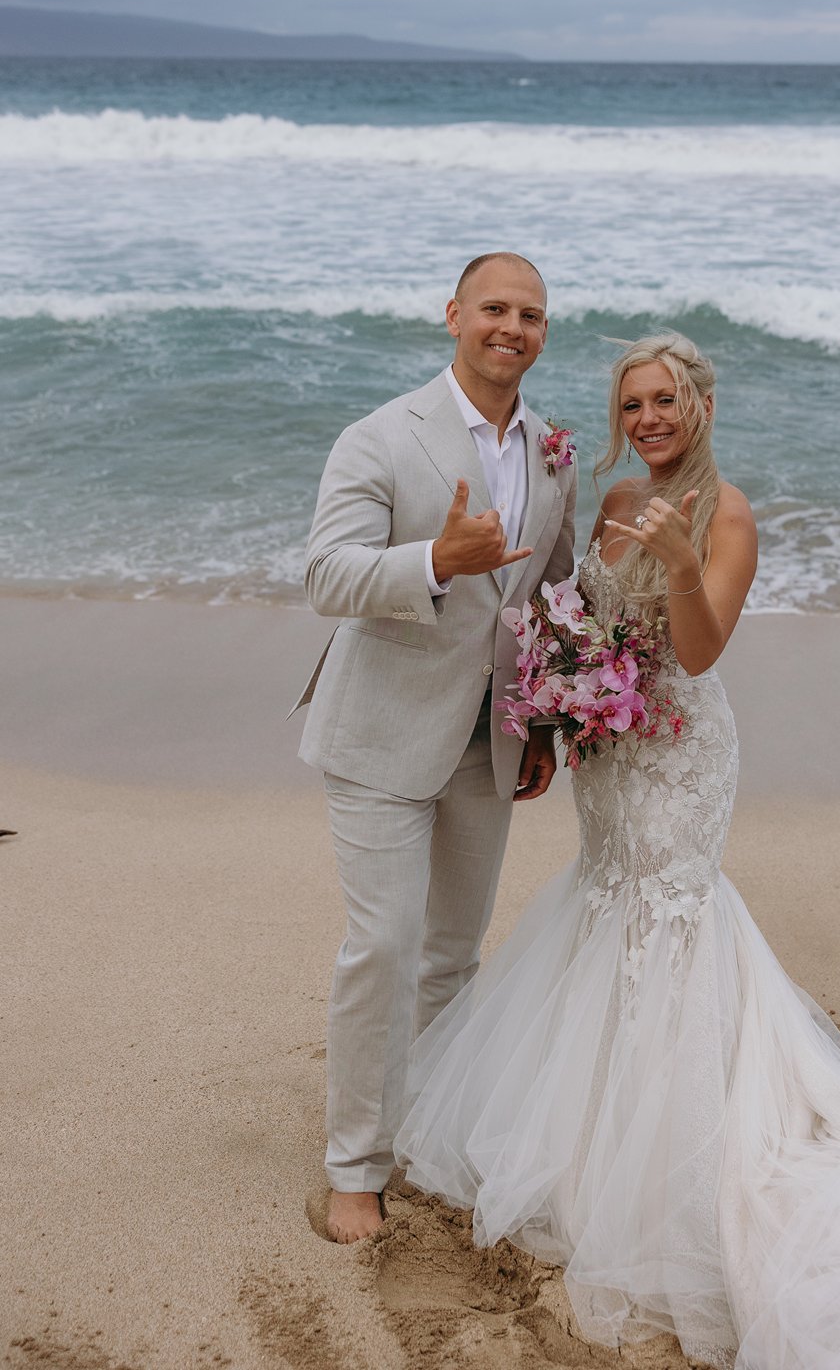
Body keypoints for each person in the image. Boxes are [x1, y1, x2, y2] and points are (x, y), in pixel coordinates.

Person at [394, 331, 840, 1368]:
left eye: (666, 401)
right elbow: (575, 614)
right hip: (615, 748)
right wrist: (557, 700)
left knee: (667, 910)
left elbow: (704, 646)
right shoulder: (617, 496)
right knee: (602, 896)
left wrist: (678, 563)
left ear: (702, 406)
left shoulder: (729, 512)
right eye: (632, 405)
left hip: (682, 752)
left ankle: (665, 1146)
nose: (648, 420)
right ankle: (586, 1127)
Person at [290, 253, 576, 1244]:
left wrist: (544, 719)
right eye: (495, 308)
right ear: (454, 314)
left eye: (531, 315)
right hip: (381, 734)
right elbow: (327, 575)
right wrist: (433, 562)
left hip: (489, 742)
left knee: (453, 956)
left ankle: (427, 1135)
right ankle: (355, 1167)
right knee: (385, 947)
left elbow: (552, 593)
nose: (513, 326)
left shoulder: (552, 452)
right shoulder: (382, 435)